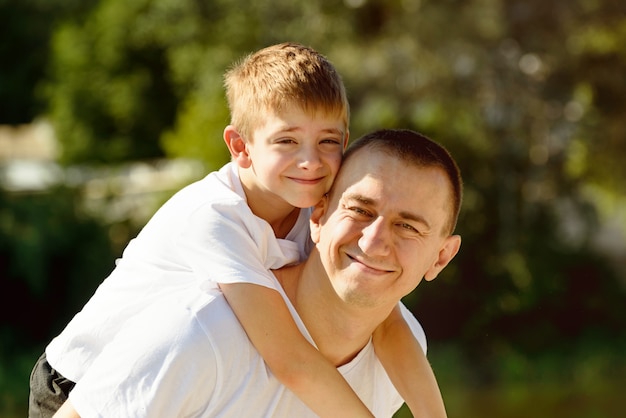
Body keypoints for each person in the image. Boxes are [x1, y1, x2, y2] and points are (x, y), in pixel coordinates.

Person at [28, 42, 442, 417]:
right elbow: (289, 359)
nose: (311, 162)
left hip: (174, 382)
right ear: (241, 147)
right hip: (80, 382)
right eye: (287, 141)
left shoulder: (312, 206)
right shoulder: (213, 217)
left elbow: (386, 322)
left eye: (328, 141)